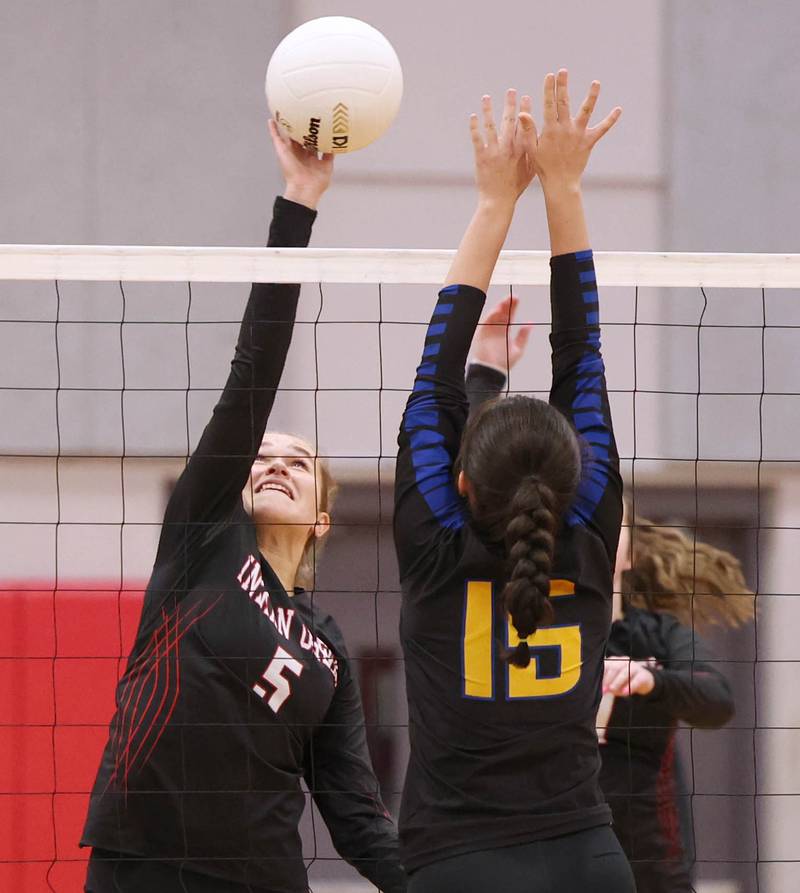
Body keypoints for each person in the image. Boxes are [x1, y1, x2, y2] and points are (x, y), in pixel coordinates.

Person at [81, 121, 405, 893]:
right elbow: (251, 376)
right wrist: (300, 202)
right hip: (143, 867)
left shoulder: (327, 646)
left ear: (322, 519)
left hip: (261, 880)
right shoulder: (206, 538)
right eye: (262, 456)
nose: (273, 463)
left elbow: (355, 812)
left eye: (298, 462)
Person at [393, 72, 634, 892]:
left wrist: (500, 201)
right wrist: (561, 189)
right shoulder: (589, 530)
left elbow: (445, 382)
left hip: (461, 867)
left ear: (460, 484)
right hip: (589, 862)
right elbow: (581, 355)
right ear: (574, 476)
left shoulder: (439, 547)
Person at [596, 505, 753, 893]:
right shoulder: (538, 630)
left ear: (630, 553)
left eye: (611, 521)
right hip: (563, 841)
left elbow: (717, 700)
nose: (598, 531)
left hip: (650, 854)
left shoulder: (659, 635)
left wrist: (652, 680)